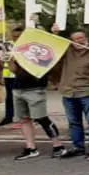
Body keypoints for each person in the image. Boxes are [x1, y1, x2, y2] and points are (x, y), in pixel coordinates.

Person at [7, 26, 64, 160]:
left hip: (35, 88)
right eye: (14, 37)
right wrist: (9, 59)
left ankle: (58, 145)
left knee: (42, 118)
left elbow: (50, 51)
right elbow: (14, 70)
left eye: (19, 37)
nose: (16, 39)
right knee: (24, 119)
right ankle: (31, 147)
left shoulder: (35, 49)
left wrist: (54, 33)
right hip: (18, 87)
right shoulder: (16, 51)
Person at [50, 24, 89, 158]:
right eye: (76, 39)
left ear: (86, 38)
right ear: (71, 40)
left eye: (81, 38)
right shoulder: (66, 50)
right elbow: (53, 48)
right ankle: (78, 146)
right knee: (73, 122)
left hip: (87, 90)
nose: (79, 41)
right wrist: (55, 34)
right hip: (68, 90)